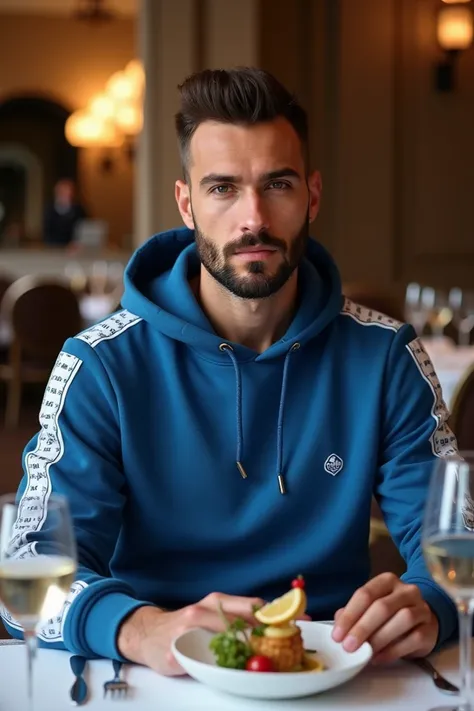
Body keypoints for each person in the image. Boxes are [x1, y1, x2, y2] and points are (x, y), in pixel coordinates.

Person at [1, 68, 459, 674]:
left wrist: (434, 604)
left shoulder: (386, 355)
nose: (254, 219)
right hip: (151, 676)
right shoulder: (98, 364)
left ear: (312, 196)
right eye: (222, 188)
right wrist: (138, 629)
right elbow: (25, 574)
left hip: (336, 670)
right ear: (187, 204)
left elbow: (461, 540)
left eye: (278, 184)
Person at [43, 178, 87, 246]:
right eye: (62, 192)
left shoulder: (79, 210)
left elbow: (85, 229)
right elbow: (47, 233)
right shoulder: (50, 210)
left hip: (75, 250)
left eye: (67, 191)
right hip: (54, 249)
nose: (65, 195)